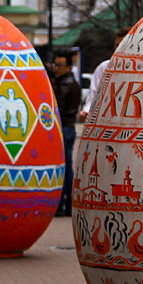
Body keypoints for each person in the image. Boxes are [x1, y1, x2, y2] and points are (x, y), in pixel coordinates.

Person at [79, 26, 130, 121]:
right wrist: (87, 110)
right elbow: (94, 92)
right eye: (116, 45)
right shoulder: (105, 67)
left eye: (123, 45)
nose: (118, 49)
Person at [53, 52, 81, 217]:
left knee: (63, 168)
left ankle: (62, 204)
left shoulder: (65, 85)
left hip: (63, 127)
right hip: (68, 127)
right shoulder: (73, 83)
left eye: (60, 65)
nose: (57, 69)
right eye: (56, 65)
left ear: (69, 67)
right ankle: (68, 204)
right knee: (67, 166)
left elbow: (58, 108)